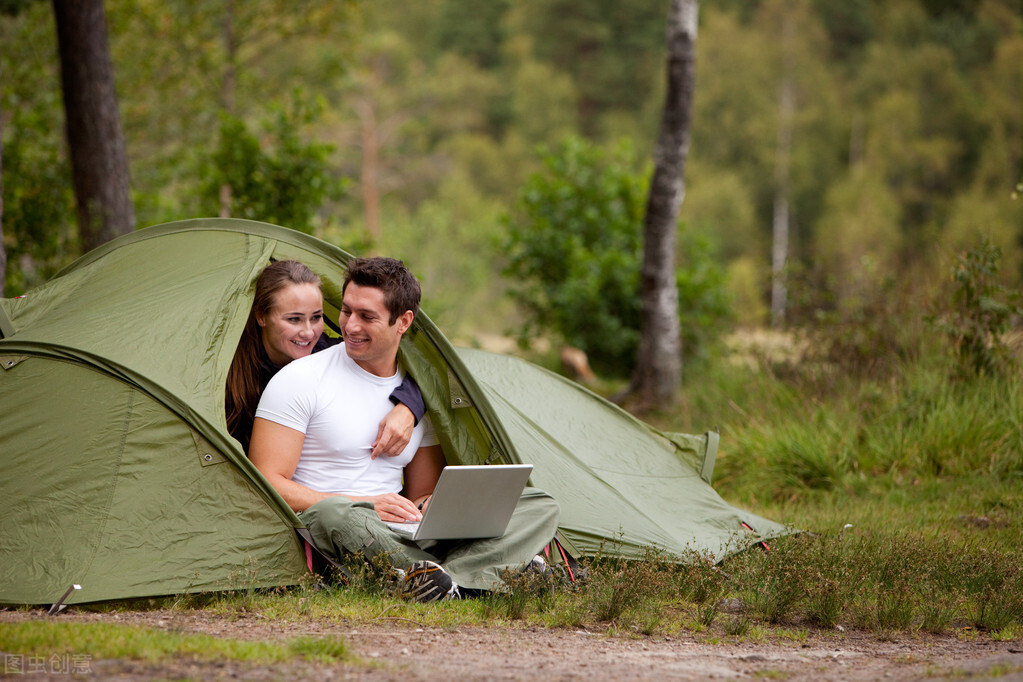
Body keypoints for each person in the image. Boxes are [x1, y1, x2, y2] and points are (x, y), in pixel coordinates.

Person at [249, 257, 560, 602]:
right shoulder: (299, 379)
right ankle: (482, 573)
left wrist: (433, 506)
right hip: (346, 526)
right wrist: (365, 503)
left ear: (404, 322)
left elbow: (420, 493)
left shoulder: (419, 397)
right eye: (347, 311)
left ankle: (441, 579)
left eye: (367, 316)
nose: (350, 326)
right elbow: (267, 480)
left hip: (405, 531)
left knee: (537, 503)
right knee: (332, 514)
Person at [225, 259, 425, 454]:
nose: (308, 332)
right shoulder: (229, 366)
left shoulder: (328, 351)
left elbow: (418, 370)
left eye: (316, 317)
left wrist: (408, 408)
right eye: (294, 319)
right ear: (261, 316)